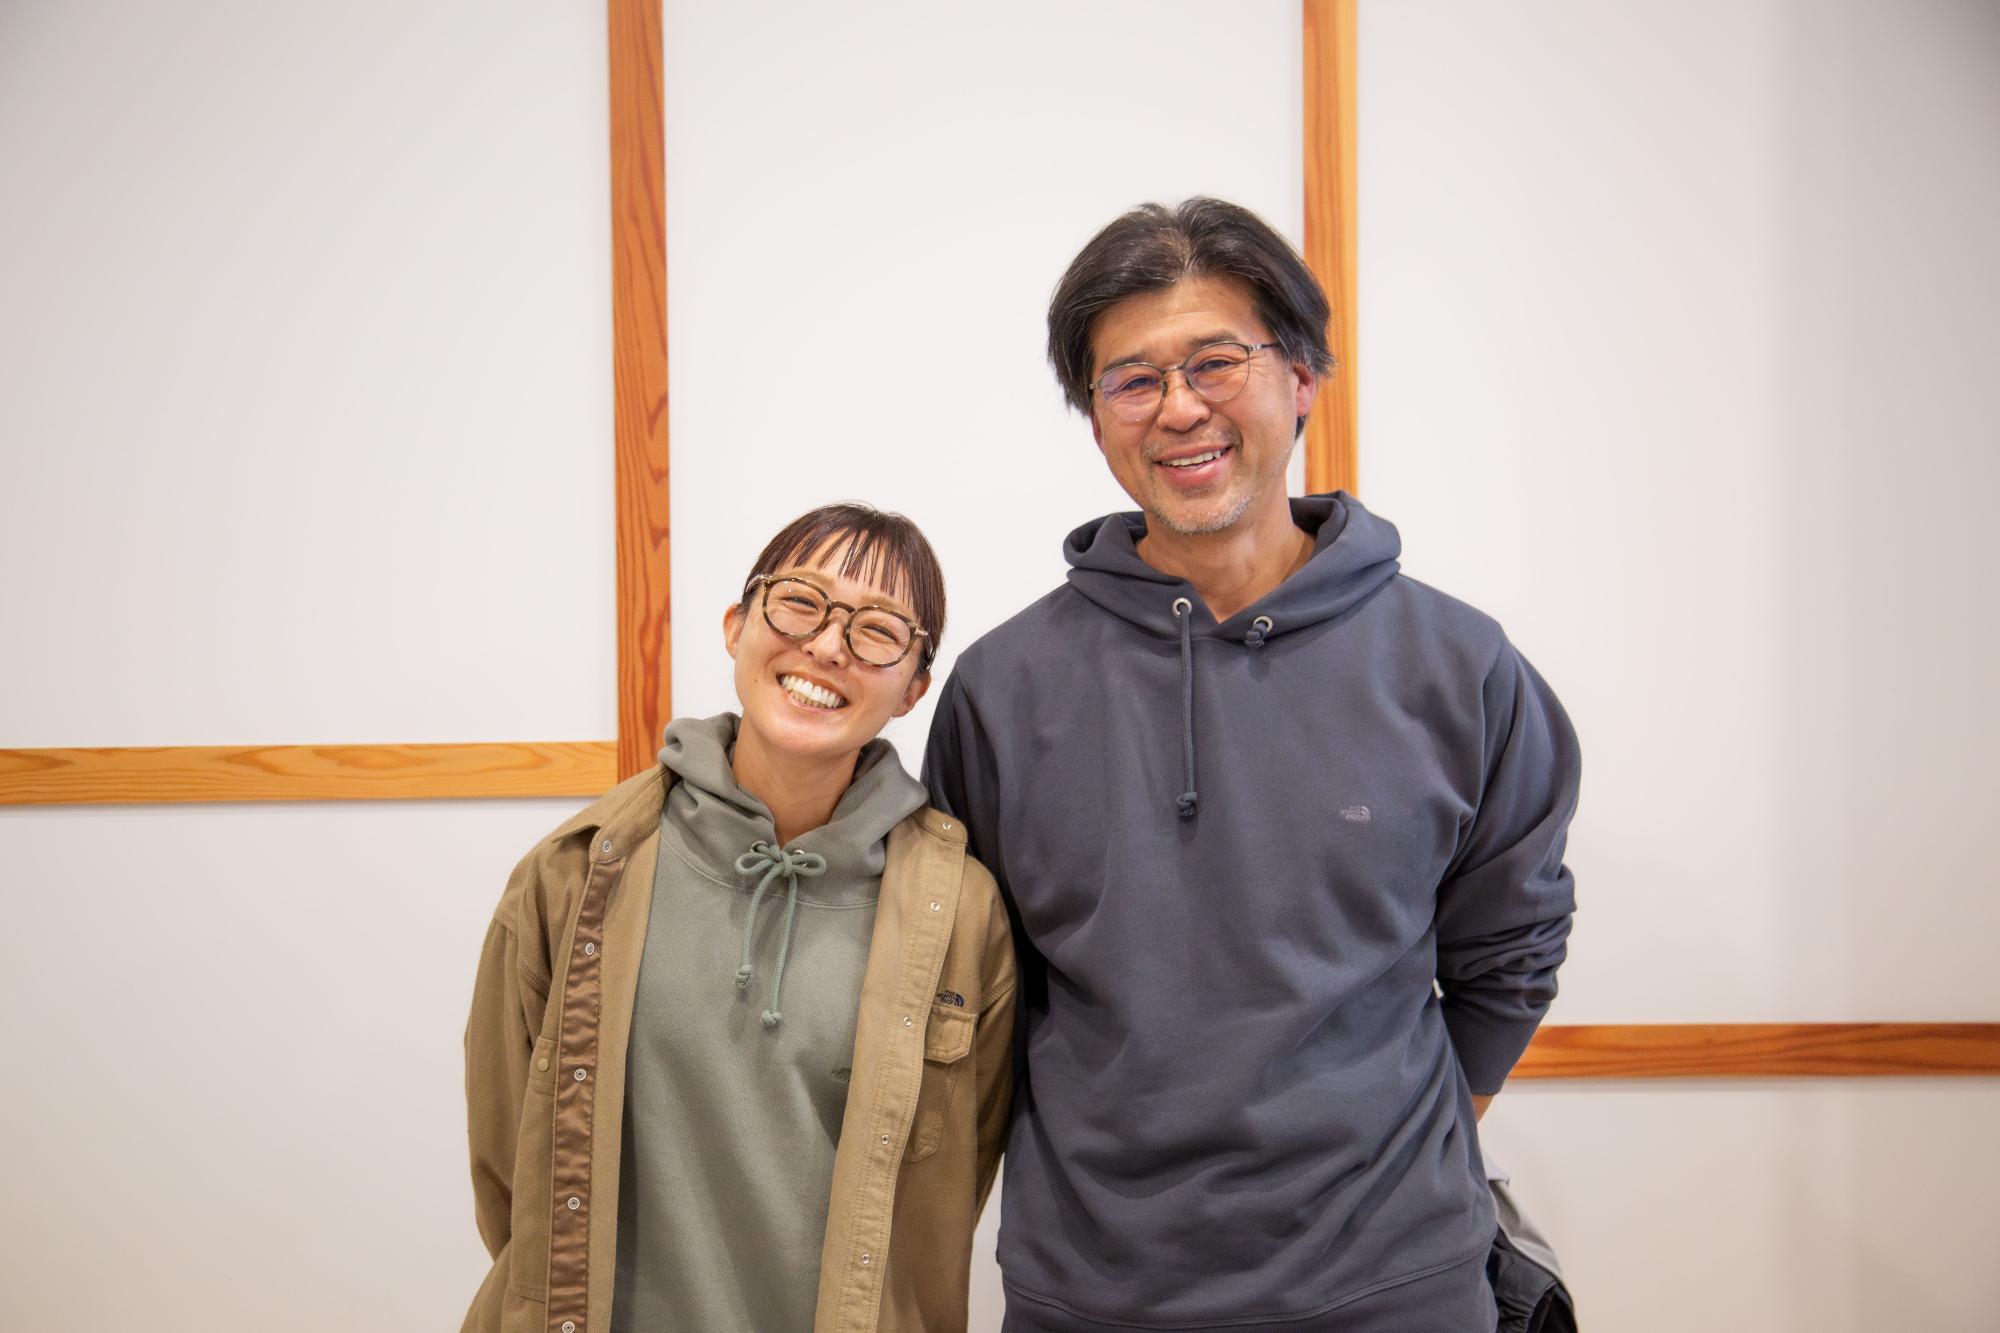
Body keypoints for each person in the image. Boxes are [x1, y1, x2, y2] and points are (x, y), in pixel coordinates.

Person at [923, 199, 1581, 1332]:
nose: (1179, 407)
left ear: (1301, 378)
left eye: (1215, 362)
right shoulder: (1003, 687)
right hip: (1093, 1294)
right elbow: (972, 989)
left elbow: (1509, 952)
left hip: (1396, 1287)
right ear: (1096, 419)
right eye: (1132, 380)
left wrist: (1390, 1165)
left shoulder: (1457, 665)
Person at [464, 503, 1015, 1333]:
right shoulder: (578, 870)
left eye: (877, 630)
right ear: (736, 625)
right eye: (800, 602)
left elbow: (946, 1195)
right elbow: (514, 1174)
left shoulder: (962, 916)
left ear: (913, 688)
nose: (827, 645)